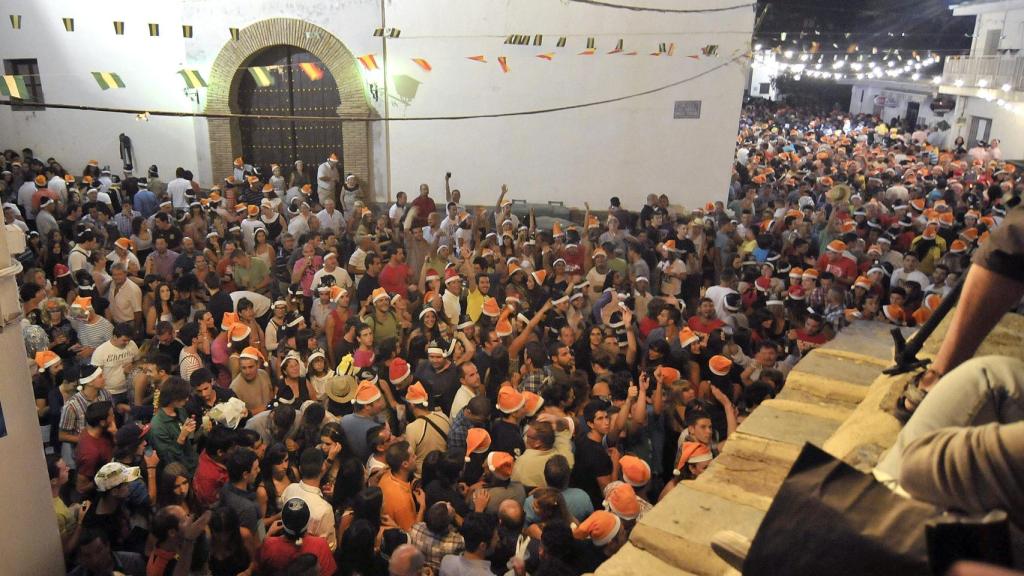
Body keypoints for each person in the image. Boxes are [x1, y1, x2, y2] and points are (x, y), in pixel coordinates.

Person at [281, 448, 338, 550]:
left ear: (300, 469)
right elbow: (329, 546)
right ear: (323, 468)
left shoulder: (289, 489)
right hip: (311, 557)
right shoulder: (325, 509)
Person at [378, 441, 426, 532]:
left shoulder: (386, 474)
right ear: (405, 464)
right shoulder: (402, 501)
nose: (416, 457)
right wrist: (422, 507)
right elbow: (412, 534)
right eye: (413, 456)